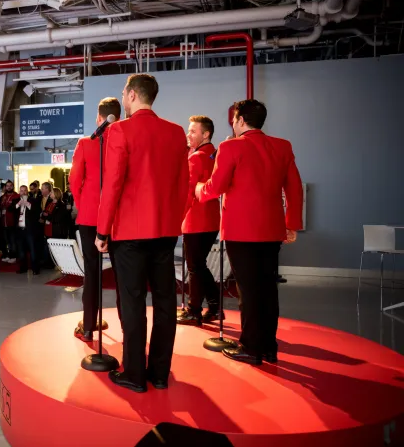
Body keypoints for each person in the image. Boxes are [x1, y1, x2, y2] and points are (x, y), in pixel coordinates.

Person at [96, 74, 189, 392]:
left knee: (133, 302)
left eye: (124, 92)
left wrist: (102, 230)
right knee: (166, 302)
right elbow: (184, 185)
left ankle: (135, 373)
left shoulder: (119, 130)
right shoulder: (176, 133)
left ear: (133, 95)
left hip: (130, 234)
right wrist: (175, 220)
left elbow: (113, 184)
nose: (123, 96)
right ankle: (160, 373)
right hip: (165, 231)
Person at [196, 99, 303, 366]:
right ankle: (268, 346)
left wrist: (200, 190)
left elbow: (217, 185)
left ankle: (251, 347)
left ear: (241, 120)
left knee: (249, 291)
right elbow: (294, 188)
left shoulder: (230, 146)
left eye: (234, 118)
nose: (232, 123)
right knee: (267, 288)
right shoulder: (282, 146)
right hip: (271, 229)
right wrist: (292, 224)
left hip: (240, 231)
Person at [70, 97, 121, 341]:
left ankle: (89, 325)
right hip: (120, 218)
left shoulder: (85, 143)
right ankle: (129, 331)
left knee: (92, 271)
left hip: (90, 218)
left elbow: (74, 180)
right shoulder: (124, 141)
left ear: (99, 118)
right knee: (123, 273)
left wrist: (84, 207)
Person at [177, 115, 223, 326]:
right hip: (211, 220)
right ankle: (214, 306)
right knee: (199, 265)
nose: (189, 134)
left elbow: (188, 191)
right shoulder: (214, 155)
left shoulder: (195, 158)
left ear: (206, 134)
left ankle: (193, 310)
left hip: (196, 220)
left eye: (193, 131)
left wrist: (178, 218)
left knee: (195, 267)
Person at [14, 185, 42, 275]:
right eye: (21, 191)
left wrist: (28, 204)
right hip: (19, 230)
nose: (23, 192)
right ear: (19, 192)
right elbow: (11, 209)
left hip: (30, 229)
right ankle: (23, 268)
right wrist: (18, 204)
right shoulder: (16, 201)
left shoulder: (34, 200)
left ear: (27, 191)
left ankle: (35, 269)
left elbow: (38, 211)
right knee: (21, 250)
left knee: (33, 249)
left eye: (25, 190)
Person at [0, 180, 20, 263]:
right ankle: (6, 255)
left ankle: (13, 256)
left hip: (12, 222)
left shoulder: (16, 196)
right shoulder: (3, 196)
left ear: (13, 186)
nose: (9, 187)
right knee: (5, 240)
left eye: (10, 185)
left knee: (12, 241)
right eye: (7, 186)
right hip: (3, 222)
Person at [37, 182, 55, 269]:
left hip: (49, 224)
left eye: (43, 188)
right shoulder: (39, 197)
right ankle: (43, 260)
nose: (41, 189)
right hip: (40, 224)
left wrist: (44, 218)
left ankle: (49, 262)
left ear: (48, 189)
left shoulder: (52, 200)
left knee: (48, 244)